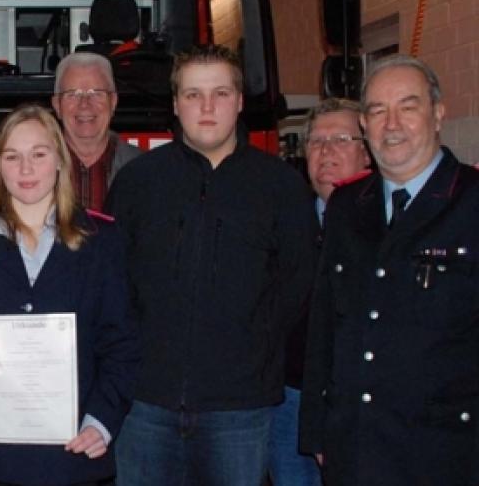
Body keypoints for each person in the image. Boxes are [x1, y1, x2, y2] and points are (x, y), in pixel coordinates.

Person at [106, 45, 318, 486]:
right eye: (193, 94)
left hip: (240, 410)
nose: (207, 107)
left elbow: (297, 283)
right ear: (175, 104)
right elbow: (111, 280)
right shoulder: (137, 183)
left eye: (220, 93)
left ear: (239, 101)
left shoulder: (280, 186)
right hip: (144, 404)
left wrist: (249, 347)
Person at [0, 104, 139, 486]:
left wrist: (102, 421)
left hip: (72, 449)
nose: (26, 169)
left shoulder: (102, 240)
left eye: (39, 155)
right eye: (12, 157)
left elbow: (121, 344)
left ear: (60, 160)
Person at [299, 54, 479, 486]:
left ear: (437, 114)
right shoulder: (347, 207)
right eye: (378, 111)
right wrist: (317, 428)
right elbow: (325, 326)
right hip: (355, 446)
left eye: (408, 107)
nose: (391, 124)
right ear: (364, 125)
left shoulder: (471, 202)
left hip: (447, 451)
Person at [268, 98, 370, 486]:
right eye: (316, 141)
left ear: (367, 151)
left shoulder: (387, 224)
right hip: (289, 401)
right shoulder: (283, 221)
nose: (326, 152)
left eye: (341, 139)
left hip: (358, 404)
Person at [50, 52, 141, 210]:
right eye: (73, 94)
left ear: (113, 102)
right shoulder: (33, 169)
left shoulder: (145, 170)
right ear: (57, 105)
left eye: (96, 93)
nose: (84, 104)